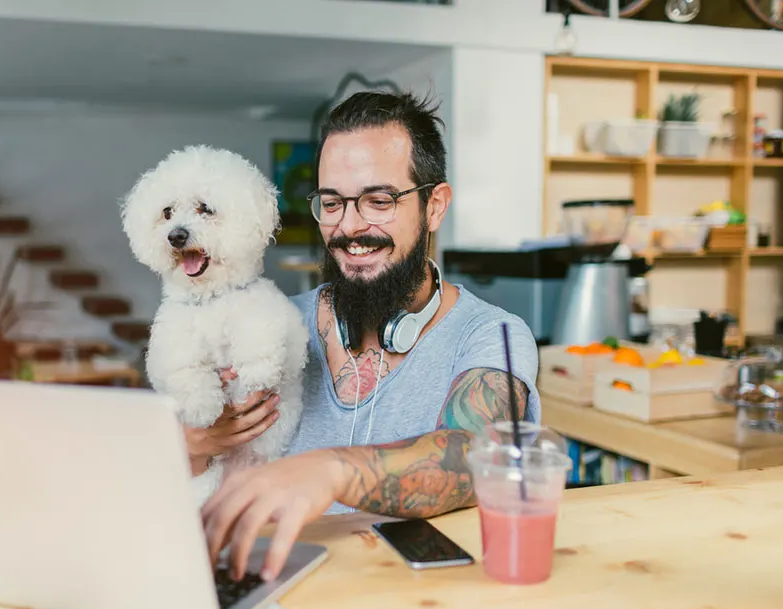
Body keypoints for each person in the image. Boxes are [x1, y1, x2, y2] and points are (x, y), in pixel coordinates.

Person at [184, 91, 541, 582]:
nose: (350, 227)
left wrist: (330, 470)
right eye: (332, 203)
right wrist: (195, 441)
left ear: (434, 206)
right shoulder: (272, 324)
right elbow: (183, 469)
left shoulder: (491, 334)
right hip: (270, 596)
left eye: (379, 201)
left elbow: (478, 454)